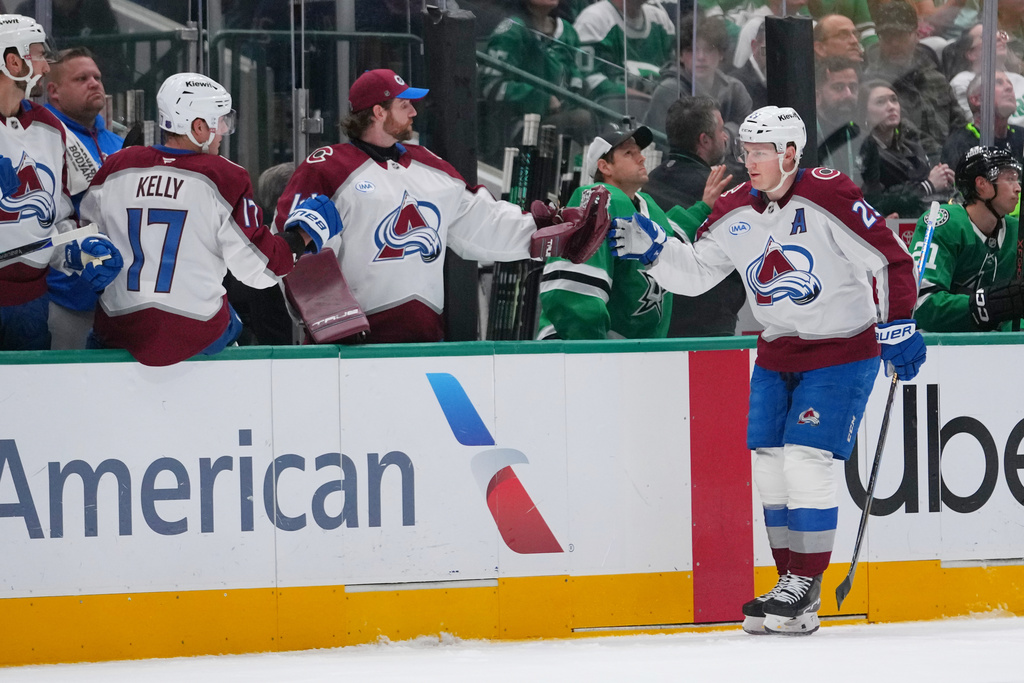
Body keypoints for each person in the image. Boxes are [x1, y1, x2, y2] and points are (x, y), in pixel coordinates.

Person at [609, 106, 925, 635]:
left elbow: (889, 257)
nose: (748, 161)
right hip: (776, 352)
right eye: (746, 150)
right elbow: (697, 274)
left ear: (790, 154)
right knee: (771, 468)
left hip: (842, 351)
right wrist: (656, 252)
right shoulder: (735, 209)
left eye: (760, 152)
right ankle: (791, 591)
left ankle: (806, 584)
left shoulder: (829, 194)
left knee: (806, 462)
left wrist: (898, 324)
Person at [274, 68, 593, 344]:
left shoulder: (431, 167)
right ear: (378, 112)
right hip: (348, 347)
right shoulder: (328, 167)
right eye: (404, 105)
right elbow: (293, 249)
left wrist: (547, 233)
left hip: (424, 339)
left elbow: (482, 221)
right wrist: (328, 318)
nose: (413, 112)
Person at [79, 73, 342, 366]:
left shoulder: (117, 166)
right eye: (219, 123)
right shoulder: (223, 176)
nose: (222, 132)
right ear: (198, 127)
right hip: (195, 332)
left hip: (119, 330)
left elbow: (82, 240)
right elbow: (258, 269)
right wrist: (301, 236)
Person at [536, 119, 731, 340]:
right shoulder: (597, 197)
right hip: (581, 348)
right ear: (605, 166)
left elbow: (670, 241)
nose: (641, 157)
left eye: (639, 151)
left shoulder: (644, 204)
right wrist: (589, 350)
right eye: (629, 153)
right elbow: (576, 287)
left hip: (631, 352)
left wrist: (704, 206)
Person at [0, 14, 121, 351]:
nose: (44, 65)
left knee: (27, 401)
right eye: (38, 55)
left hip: (30, 304)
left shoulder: (52, 129)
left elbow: (60, 220)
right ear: (12, 61)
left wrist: (81, 251)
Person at [643, 96, 746, 337]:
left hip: (659, 324)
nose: (725, 137)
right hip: (710, 327)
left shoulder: (645, 187)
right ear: (704, 140)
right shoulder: (722, 190)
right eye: (721, 130)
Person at [43, 46, 124, 350]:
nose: (94, 83)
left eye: (97, 77)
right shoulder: (43, 139)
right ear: (54, 91)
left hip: (117, 296)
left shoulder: (119, 143)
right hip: (63, 294)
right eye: (81, 78)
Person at [911, 146, 1024, 331]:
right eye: (1009, 179)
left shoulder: (1017, 232)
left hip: (1002, 352)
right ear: (982, 184)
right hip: (939, 352)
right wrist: (988, 306)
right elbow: (921, 303)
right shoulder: (941, 223)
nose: (1018, 188)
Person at [479, 0, 594, 158]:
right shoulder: (512, 30)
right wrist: (541, 100)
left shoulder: (567, 31)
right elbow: (490, 85)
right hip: (520, 127)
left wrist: (575, 95)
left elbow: (577, 77)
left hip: (560, 120)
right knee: (583, 119)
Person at [864, 0, 967, 158]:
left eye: (901, 35)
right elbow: (904, 135)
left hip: (951, 160)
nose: (895, 43)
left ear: (916, 35)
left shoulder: (934, 76)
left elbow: (960, 122)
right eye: (887, 36)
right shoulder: (874, 85)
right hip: (907, 165)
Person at [858, 79, 954, 217]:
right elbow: (875, 200)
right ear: (864, 112)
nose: (891, 106)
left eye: (894, 100)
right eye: (881, 102)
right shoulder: (865, 152)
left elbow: (932, 181)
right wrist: (928, 185)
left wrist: (946, 178)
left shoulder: (913, 147)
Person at [645, 14, 753, 133]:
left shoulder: (735, 89)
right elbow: (666, 145)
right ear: (680, 56)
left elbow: (750, 136)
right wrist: (728, 132)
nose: (701, 57)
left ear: (721, 54)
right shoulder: (668, 90)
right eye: (692, 50)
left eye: (709, 50)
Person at [573, 0, 675, 99]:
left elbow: (678, 73)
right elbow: (590, 82)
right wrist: (646, 101)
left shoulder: (660, 19)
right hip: (612, 112)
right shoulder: (594, 20)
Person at [941, 72, 1024, 170]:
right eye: (998, 83)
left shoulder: (1021, 134)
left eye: (1010, 83)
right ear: (977, 99)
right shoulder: (959, 144)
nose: (1009, 87)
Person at [948, 24, 1024, 123]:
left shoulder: (1019, 79)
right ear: (971, 54)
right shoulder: (962, 81)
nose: (999, 38)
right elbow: (977, 125)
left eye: (999, 33)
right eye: (986, 36)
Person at [815, 56, 862, 181]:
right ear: (817, 96)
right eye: (839, 88)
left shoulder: (862, 139)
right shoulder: (805, 140)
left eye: (853, 88)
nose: (848, 95)